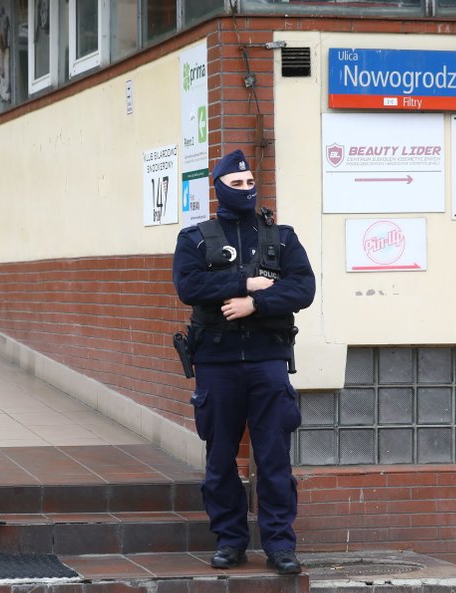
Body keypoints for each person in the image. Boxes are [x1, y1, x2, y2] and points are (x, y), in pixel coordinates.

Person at [172, 149, 315, 575]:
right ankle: (231, 542)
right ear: (218, 188)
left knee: (273, 457)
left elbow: (303, 288)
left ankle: (279, 545)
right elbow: (188, 285)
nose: (246, 189)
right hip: (216, 362)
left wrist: (256, 302)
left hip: (267, 360)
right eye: (236, 184)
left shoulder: (282, 237)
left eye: (249, 182)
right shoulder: (195, 238)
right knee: (220, 459)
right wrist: (241, 280)